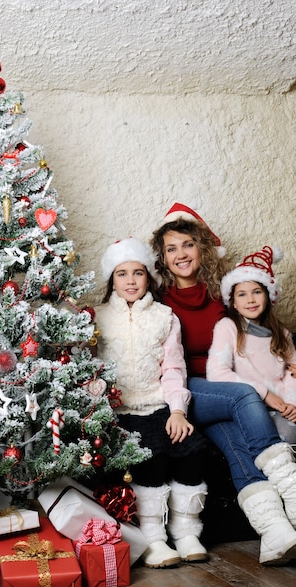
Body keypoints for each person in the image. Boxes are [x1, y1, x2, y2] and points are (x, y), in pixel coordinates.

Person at [151, 203, 296, 565]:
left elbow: (259, 343)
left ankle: (274, 533)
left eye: (187, 244)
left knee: (237, 444)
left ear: (202, 249)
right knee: (244, 395)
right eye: (171, 248)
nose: (181, 254)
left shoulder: (222, 300)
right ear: (163, 258)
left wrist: (293, 367)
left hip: (224, 394)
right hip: (188, 389)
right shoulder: (159, 302)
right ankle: (295, 491)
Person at [95, 237, 210, 568]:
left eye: (138, 273)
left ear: (149, 278)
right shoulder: (98, 318)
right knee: (151, 455)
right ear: (111, 280)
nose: (131, 281)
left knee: (191, 447)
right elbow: (89, 368)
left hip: (157, 404)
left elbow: (174, 368)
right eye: (122, 274)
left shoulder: (164, 317)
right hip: (118, 411)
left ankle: (186, 530)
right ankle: (154, 537)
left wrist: (177, 411)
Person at [207, 244, 296, 498]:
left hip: (292, 398)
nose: (251, 299)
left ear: (268, 295)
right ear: (232, 301)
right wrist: (266, 395)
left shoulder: (281, 332)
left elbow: (293, 372)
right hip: (259, 403)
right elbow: (217, 373)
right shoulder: (227, 328)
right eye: (242, 294)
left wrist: (294, 403)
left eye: (257, 292)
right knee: (287, 434)